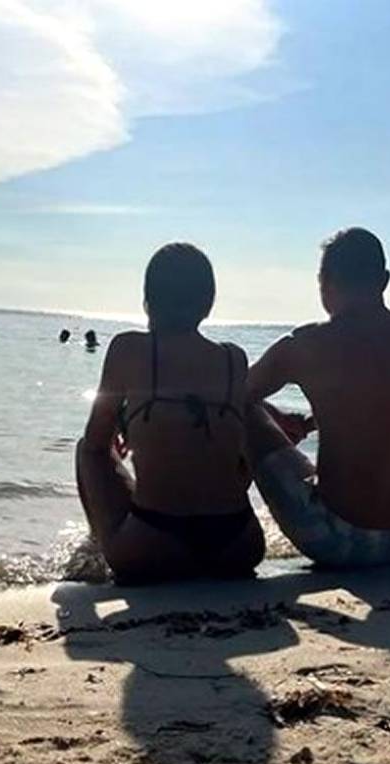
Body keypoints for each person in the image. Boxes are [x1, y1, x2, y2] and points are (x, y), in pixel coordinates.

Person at [245, 227, 390, 567]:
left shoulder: (305, 344)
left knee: (242, 413)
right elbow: (380, 413)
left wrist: (269, 417)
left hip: (345, 540)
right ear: (384, 281)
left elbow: (231, 393)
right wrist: (301, 422)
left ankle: (212, 525)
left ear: (324, 282)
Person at [76, 243, 264, 583]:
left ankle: (97, 543)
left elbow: (95, 443)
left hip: (151, 546)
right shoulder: (233, 358)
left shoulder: (127, 349)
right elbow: (238, 452)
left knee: (85, 449)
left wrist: (132, 427)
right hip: (237, 544)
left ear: (148, 300)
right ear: (208, 304)